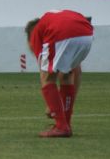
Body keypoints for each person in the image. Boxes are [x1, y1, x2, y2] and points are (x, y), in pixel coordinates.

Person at [25, 9, 93, 137]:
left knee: (47, 77)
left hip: (63, 33)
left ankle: (61, 127)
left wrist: (51, 106)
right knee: (66, 75)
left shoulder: (36, 33)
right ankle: (65, 124)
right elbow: (76, 72)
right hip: (87, 34)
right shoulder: (53, 19)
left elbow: (44, 75)